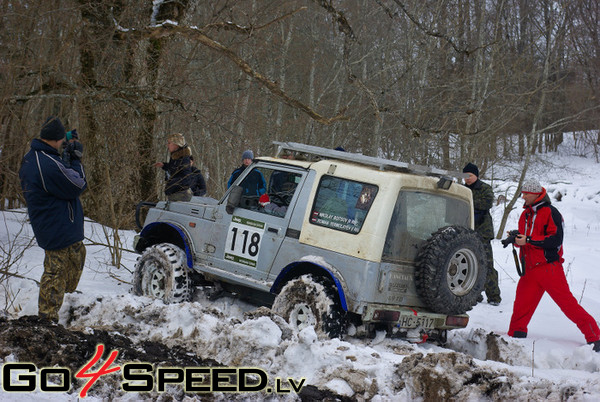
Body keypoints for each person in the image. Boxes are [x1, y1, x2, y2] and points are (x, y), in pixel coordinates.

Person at [508, 178, 600, 352]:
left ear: (535, 194)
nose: (523, 197)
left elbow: (556, 240)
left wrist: (528, 240)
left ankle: (595, 336)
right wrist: (515, 239)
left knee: (568, 304)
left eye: (526, 194)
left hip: (549, 268)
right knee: (521, 305)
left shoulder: (551, 212)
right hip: (529, 269)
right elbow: (526, 237)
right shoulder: (524, 214)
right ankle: (515, 337)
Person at [19, 116, 87, 323]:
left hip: (60, 224)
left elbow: (60, 179)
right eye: (62, 140)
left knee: (76, 259)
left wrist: (66, 155)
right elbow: (78, 185)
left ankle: (59, 307)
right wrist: (75, 159)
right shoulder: (46, 164)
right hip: (56, 226)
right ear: (55, 140)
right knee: (55, 273)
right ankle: (46, 320)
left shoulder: (38, 157)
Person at [463, 162, 501, 305]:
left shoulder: (485, 188)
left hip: (482, 232)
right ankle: (475, 295)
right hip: (467, 230)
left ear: (476, 176)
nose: (467, 178)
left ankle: (494, 296)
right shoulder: (461, 189)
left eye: (470, 175)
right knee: (470, 265)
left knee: (487, 264)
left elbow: (486, 203)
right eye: (465, 176)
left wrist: (468, 202)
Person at [154, 133, 193, 201]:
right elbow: (173, 168)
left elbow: (186, 177)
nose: (167, 145)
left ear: (176, 144)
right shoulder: (175, 157)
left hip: (182, 194)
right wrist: (164, 165)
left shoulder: (183, 158)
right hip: (175, 193)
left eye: (169, 143)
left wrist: (171, 184)